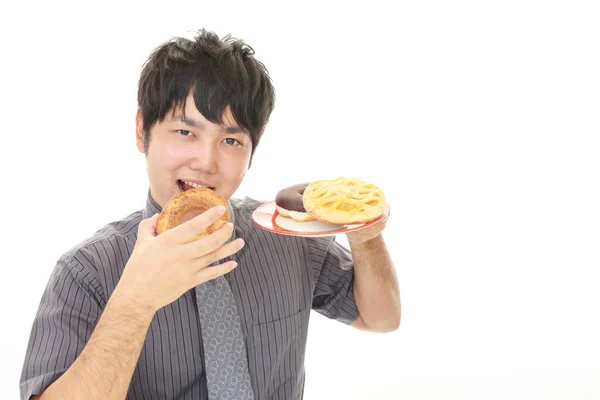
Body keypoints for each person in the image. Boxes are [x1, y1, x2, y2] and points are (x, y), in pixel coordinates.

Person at [19, 29, 401, 400]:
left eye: (231, 140)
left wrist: (364, 235)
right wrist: (135, 301)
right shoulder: (86, 272)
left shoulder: (286, 236)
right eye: (185, 132)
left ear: (254, 148)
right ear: (142, 130)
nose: (206, 162)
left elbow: (381, 319)